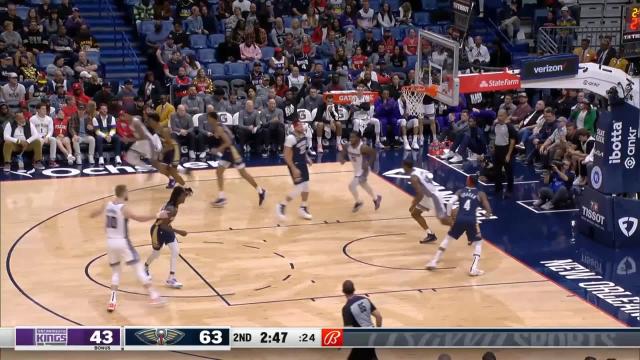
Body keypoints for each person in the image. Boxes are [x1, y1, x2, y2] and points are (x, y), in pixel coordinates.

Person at [89, 184, 167, 312]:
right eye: (127, 192)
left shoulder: (107, 204)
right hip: (122, 242)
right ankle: (153, 296)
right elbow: (139, 219)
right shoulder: (123, 209)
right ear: (124, 193)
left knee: (116, 272)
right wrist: (158, 215)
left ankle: (112, 301)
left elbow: (93, 214)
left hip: (110, 242)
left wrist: (98, 210)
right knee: (138, 269)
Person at [426, 174, 493, 276]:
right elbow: (488, 208)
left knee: (448, 239)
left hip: (459, 219)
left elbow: (449, 203)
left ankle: (434, 261)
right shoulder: (480, 194)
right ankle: (473, 268)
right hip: (471, 221)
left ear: (469, 181)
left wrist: (448, 216)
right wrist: (487, 213)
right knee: (478, 243)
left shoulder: (460, 191)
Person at [207, 111, 267, 207]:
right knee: (219, 172)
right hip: (228, 152)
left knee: (243, 174)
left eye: (208, 118)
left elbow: (229, 142)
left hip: (234, 152)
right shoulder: (219, 125)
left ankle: (260, 191)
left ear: (213, 119)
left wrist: (218, 149)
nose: (207, 120)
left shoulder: (218, 128)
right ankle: (221, 198)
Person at [145, 185, 193, 289]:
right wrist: (179, 232)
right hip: (158, 230)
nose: (185, 198)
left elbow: (165, 223)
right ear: (178, 196)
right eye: (184, 196)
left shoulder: (173, 204)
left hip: (166, 228)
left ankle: (171, 278)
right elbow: (162, 225)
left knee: (175, 250)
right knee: (156, 254)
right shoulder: (171, 209)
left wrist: (188, 192)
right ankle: (145, 267)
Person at [402, 159, 446, 244]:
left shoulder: (413, 177)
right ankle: (430, 234)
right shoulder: (418, 170)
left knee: (445, 218)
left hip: (430, 196)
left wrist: (413, 205)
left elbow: (420, 194)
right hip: (433, 193)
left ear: (406, 167)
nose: (403, 168)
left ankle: (467, 228)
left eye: (403, 167)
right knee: (415, 214)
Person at [276, 119, 313, 220]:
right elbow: (286, 155)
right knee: (298, 188)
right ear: (295, 127)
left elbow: (303, 150)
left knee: (306, 187)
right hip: (295, 165)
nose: (302, 126)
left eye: (302, 125)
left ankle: (303, 207)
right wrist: (293, 168)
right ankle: (281, 205)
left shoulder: (303, 135)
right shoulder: (291, 138)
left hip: (302, 163)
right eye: (300, 125)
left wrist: (307, 158)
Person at [339, 132, 382, 212]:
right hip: (356, 170)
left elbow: (374, 153)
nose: (351, 139)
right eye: (350, 137)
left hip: (363, 170)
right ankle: (376, 198)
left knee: (351, 186)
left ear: (358, 139)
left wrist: (369, 164)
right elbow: (343, 151)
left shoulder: (363, 147)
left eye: (353, 137)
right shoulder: (348, 145)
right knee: (363, 184)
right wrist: (342, 158)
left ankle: (359, 202)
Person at [147, 112, 191, 189]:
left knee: (167, 168)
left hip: (171, 150)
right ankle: (176, 176)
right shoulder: (152, 129)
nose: (148, 121)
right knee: (161, 168)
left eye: (149, 120)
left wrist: (160, 153)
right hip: (164, 150)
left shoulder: (162, 129)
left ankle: (185, 186)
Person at [341, 280, 382, 360]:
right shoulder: (365, 299)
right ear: (354, 289)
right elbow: (379, 316)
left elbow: (348, 330)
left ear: (343, 291)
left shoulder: (347, 308)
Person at [492, 109, 517, 198]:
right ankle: (498, 188)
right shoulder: (496, 125)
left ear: (506, 116)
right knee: (497, 171)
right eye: (498, 115)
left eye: (501, 116)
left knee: (508, 172)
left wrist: (509, 154)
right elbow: (496, 137)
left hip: (505, 150)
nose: (499, 118)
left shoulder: (509, 126)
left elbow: (513, 140)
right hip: (497, 150)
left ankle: (509, 190)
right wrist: (494, 148)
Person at [30, 102, 58, 167]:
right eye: (43, 109)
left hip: (46, 137)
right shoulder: (32, 119)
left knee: (53, 139)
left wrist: (47, 137)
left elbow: (51, 130)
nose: (45, 110)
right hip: (36, 137)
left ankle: (52, 160)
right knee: (40, 141)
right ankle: (36, 160)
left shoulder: (49, 119)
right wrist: (41, 137)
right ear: (38, 110)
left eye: (45, 109)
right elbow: (32, 132)